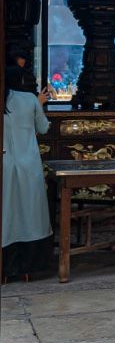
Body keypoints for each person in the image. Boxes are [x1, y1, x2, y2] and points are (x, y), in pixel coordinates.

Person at [2, 64, 52, 283]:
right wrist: (39, 104)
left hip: (4, 164)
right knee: (30, 214)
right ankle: (28, 268)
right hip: (28, 165)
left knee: (7, 215)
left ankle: (5, 268)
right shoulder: (29, 99)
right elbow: (43, 128)